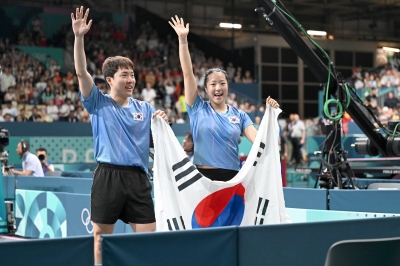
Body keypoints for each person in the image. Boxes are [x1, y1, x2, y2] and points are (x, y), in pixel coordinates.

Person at [71, 6, 168, 265]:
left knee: (147, 240)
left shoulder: (145, 108)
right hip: (108, 176)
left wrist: (161, 121)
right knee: (101, 239)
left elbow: (156, 139)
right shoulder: (98, 103)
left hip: (138, 178)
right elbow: (81, 73)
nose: (131, 79)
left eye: (132, 74)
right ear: (109, 80)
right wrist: (79, 38)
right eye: (124, 75)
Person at [169, 16, 279, 181]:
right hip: (203, 179)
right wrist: (183, 39)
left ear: (228, 86)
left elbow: (259, 140)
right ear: (206, 89)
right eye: (213, 84)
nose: (218, 88)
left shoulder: (240, 115)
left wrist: (271, 115)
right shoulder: (197, 107)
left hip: (232, 179)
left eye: (222, 83)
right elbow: (187, 73)